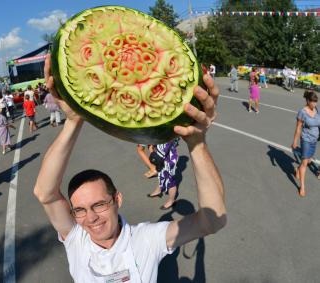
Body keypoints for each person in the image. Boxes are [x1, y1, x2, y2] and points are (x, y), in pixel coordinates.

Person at [34, 54, 226, 282]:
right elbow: (45, 193)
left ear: (118, 199)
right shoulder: (76, 238)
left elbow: (212, 221)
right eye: (80, 210)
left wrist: (197, 144)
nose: (91, 218)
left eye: (99, 204)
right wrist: (74, 120)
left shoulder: (147, 239)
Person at [292, 91, 320, 197]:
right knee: (304, 163)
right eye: (313, 102)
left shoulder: (316, 110)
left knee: (307, 160)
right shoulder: (302, 112)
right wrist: (295, 141)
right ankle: (302, 186)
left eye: (316, 102)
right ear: (308, 101)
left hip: (314, 141)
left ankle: (297, 169)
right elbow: (298, 128)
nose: (315, 104)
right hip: (306, 140)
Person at [147, 139, 180, 209]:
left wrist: (151, 150)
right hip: (163, 158)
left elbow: (162, 152)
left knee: (170, 180)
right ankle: (158, 190)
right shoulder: (163, 134)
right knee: (161, 174)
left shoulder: (168, 135)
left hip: (169, 160)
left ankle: (171, 201)